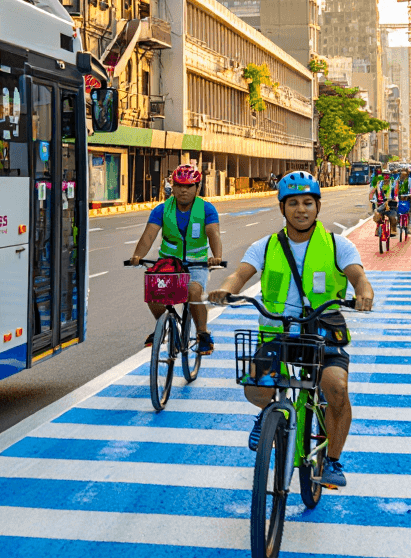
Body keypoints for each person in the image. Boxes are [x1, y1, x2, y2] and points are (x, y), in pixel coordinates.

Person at [208, 172, 374, 489]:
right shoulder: (265, 246)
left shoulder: (339, 245)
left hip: (322, 333)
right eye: (293, 203)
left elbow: (358, 277)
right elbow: (240, 276)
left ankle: (333, 460)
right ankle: (270, 414)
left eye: (308, 203)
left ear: (318, 206)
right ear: (282, 208)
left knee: (336, 389)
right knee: (255, 388)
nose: (301, 209)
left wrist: (364, 293)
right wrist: (224, 290)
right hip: (277, 334)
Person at [128, 164, 223, 354]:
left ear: (198, 187)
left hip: (197, 264)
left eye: (189, 186)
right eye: (179, 185)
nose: (183, 190)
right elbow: (149, 235)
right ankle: (166, 325)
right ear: (173, 186)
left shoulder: (206, 209)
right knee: (153, 290)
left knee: (194, 292)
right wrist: (138, 256)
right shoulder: (162, 210)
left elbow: (213, 233)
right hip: (169, 263)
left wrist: (217, 257)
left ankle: (203, 334)